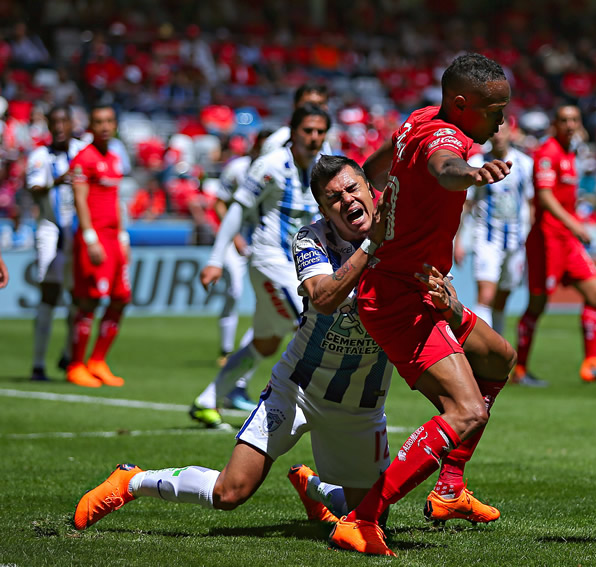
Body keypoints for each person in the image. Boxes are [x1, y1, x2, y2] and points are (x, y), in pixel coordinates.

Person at [71, 156, 475, 534]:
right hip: (297, 389)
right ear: (322, 210)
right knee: (231, 493)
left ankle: (315, 489)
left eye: (352, 189)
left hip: (361, 406)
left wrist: (447, 300)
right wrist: (372, 247)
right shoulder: (310, 239)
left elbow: (437, 291)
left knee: (372, 519)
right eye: (333, 198)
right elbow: (323, 298)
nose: (346, 200)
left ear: (373, 190)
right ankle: (133, 480)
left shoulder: (406, 236)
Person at [328, 52, 516, 557]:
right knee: (467, 410)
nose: (502, 120)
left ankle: (449, 489)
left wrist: (373, 192)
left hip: (420, 285)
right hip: (396, 296)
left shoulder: (418, 120)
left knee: (499, 358)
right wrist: (472, 175)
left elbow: (379, 164)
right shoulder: (444, 139)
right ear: (461, 104)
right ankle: (362, 518)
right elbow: (444, 167)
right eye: (494, 110)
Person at [192, 104, 330, 428]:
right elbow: (237, 209)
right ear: (292, 132)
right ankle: (309, 406)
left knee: (265, 343)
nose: (314, 138)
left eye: (320, 132)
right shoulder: (270, 165)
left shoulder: (322, 166)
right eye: (307, 131)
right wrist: (215, 259)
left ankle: (207, 400)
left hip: (299, 264)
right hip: (270, 259)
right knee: (314, 320)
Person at [513, 103, 596, 387]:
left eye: (574, 119)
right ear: (555, 124)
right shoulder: (548, 153)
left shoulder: (571, 152)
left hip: (567, 241)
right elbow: (546, 198)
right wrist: (575, 224)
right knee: (537, 305)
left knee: (595, 294)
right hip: (547, 240)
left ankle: (592, 363)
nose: (570, 125)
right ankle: (521, 369)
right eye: (564, 120)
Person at [65, 104, 131, 388]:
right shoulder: (84, 158)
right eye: (98, 121)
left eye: (109, 121)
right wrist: (90, 237)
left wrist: (124, 236)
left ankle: (98, 361)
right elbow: (80, 199)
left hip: (115, 238)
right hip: (94, 238)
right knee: (89, 300)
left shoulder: (115, 158)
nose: (105, 126)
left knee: (121, 298)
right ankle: (76, 364)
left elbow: (115, 199)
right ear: (90, 126)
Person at [207, 130, 271, 411]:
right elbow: (221, 203)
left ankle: (229, 387)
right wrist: (233, 238)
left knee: (268, 315)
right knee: (234, 291)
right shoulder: (238, 169)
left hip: (266, 247)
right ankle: (226, 356)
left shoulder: (283, 169)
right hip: (238, 241)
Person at [454, 118, 533, 337]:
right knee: (486, 297)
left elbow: (530, 203)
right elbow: (466, 204)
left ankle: (496, 347)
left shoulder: (525, 164)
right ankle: (481, 352)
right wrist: (458, 241)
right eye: (495, 131)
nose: (498, 135)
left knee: (502, 298)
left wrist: (531, 238)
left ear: (511, 134)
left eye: (503, 131)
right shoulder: (477, 163)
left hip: (516, 241)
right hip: (487, 238)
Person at [25, 105, 87, 381]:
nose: (60, 127)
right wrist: (57, 182)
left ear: (72, 124)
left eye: (65, 121)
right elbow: (33, 188)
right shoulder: (40, 155)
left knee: (78, 297)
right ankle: (38, 363)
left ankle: (69, 356)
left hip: (79, 229)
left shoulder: (84, 150)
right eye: (55, 123)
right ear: (49, 126)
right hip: (51, 229)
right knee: (49, 294)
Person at [261, 83, 331, 156]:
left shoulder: (327, 141)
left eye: (320, 104)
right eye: (310, 104)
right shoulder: (277, 141)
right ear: (295, 105)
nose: (315, 110)